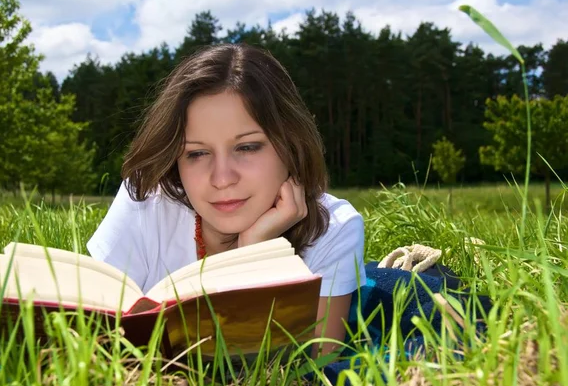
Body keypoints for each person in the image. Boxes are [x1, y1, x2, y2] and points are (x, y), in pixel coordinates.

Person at [86, 43, 367, 357]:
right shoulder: (145, 200)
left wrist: (253, 254)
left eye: (247, 147)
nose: (222, 179)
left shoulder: (333, 229)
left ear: (292, 145)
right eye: (197, 153)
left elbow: (312, 367)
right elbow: (91, 338)